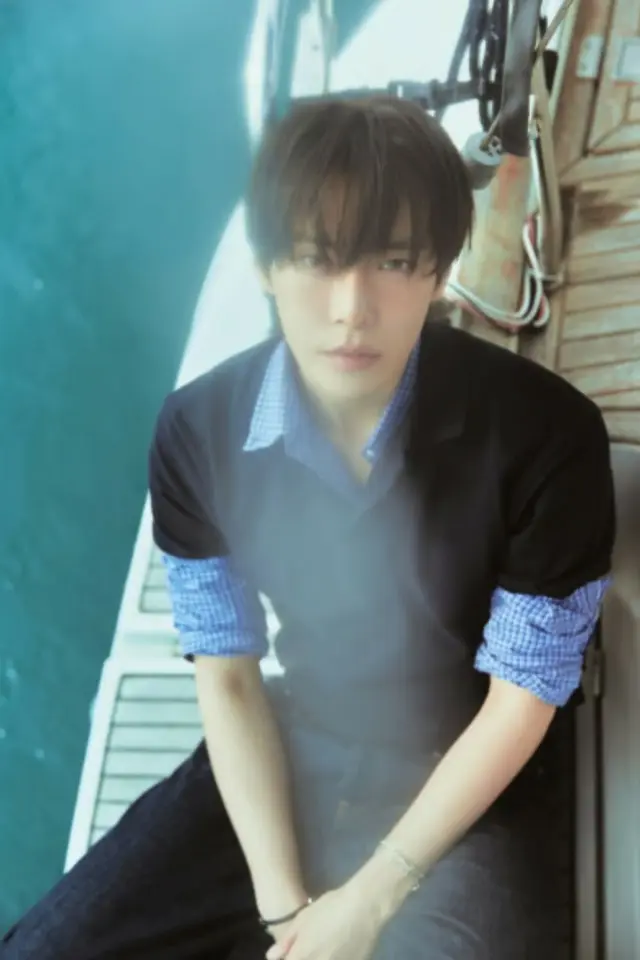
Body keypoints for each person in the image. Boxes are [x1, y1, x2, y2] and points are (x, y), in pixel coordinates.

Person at [2, 94, 615, 960]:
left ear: (440, 268)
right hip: (304, 736)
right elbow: (229, 678)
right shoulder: (198, 433)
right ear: (264, 264)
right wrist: (284, 907)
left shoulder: (546, 435)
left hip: (479, 782)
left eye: (393, 261)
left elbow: (520, 704)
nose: (351, 307)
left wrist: (369, 898)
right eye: (317, 260)